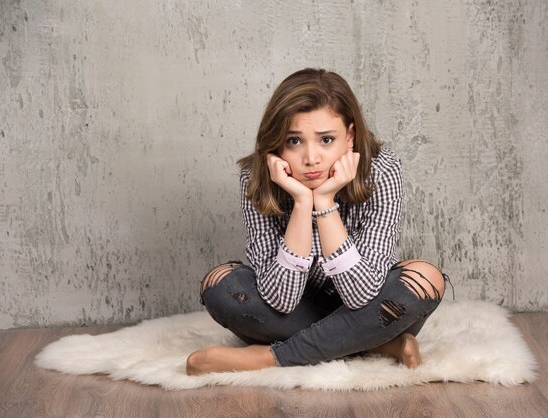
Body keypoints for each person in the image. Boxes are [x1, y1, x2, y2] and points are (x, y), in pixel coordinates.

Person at [186, 68, 451, 375]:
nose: (311, 158)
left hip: (370, 306)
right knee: (219, 286)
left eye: (326, 139)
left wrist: (325, 204)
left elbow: (361, 294)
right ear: (277, 143)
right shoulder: (256, 176)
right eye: (294, 141)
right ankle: (375, 344)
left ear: (349, 136)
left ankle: (269, 357)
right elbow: (280, 300)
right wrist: (302, 202)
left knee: (426, 278)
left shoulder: (382, 170)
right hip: (295, 310)